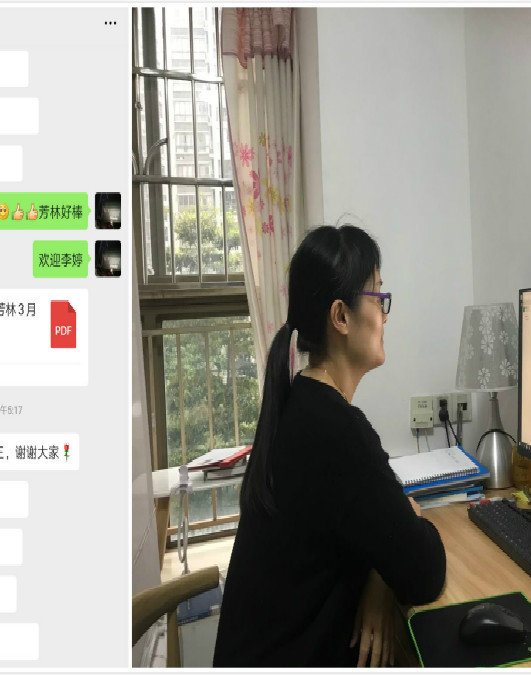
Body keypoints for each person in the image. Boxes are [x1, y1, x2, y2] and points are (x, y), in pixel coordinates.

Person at [213, 224, 446, 667]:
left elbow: (377, 531)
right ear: (341, 317)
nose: (385, 316)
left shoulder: (301, 404)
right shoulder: (336, 432)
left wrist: (379, 577)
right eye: (378, 298)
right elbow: (425, 573)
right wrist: (406, 527)